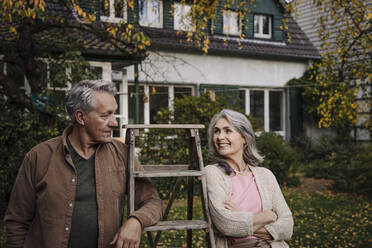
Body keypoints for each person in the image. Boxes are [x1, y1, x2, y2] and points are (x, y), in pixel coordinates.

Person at [4, 80, 162, 248]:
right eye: (105, 115)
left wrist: (136, 221)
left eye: (114, 114)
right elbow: (17, 221)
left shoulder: (123, 155)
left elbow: (153, 201)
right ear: (81, 117)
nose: (114, 123)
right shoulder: (38, 157)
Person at [205, 109, 293, 248]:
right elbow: (226, 224)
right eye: (216, 131)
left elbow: (288, 226)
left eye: (227, 131)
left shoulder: (266, 175)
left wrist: (239, 217)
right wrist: (267, 217)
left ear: (244, 137)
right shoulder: (213, 173)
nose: (220, 137)